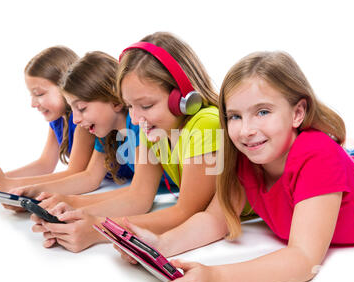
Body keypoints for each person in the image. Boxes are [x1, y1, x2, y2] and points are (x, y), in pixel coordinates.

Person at [117, 51, 354, 282]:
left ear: (298, 113)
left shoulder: (317, 155)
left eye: (262, 112)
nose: (246, 129)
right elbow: (216, 219)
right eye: (235, 116)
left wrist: (216, 278)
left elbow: (303, 259)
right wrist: (161, 244)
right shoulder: (247, 157)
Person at [31, 32, 222, 253]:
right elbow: (139, 196)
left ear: (183, 98)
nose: (134, 119)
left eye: (147, 105)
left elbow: (186, 212)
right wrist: (80, 213)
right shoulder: (155, 130)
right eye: (130, 106)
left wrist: (98, 229)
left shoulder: (205, 125)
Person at [0, 46, 96, 193]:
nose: (33, 104)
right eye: (31, 95)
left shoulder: (83, 121)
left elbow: (74, 173)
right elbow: (45, 164)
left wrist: (8, 184)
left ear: (66, 87)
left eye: (39, 94)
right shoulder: (57, 120)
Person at [10, 51, 137, 201]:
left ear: (116, 101)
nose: (76, 120)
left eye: (82, 108)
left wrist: (71, 203)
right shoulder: (104, 130)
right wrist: (33, 191)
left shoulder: (137, 126)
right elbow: (90, 177)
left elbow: (140, 194)